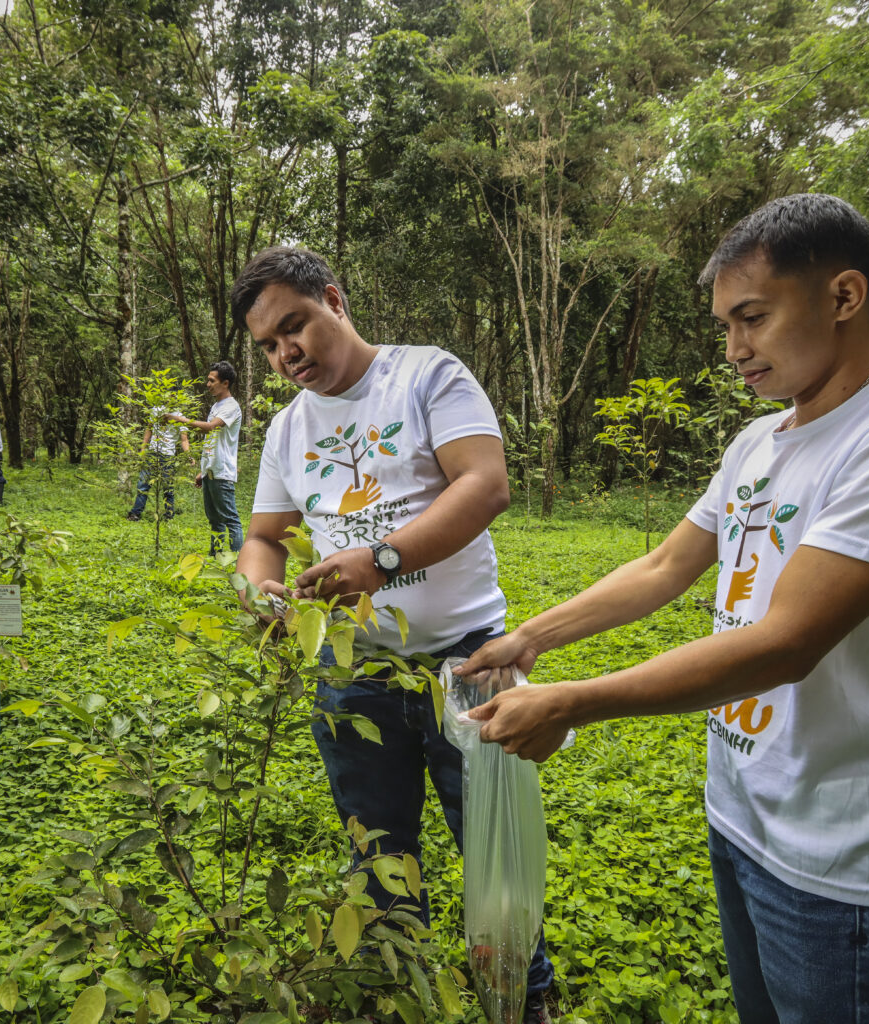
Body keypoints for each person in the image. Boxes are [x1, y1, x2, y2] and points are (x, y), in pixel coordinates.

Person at [458, 194, 869, 1024]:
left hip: (846, 856)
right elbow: (667, 565)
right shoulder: (757, 443)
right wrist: (528, 638)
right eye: (724, 326)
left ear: (844, 297)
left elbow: (786, 644)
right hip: (743, 812)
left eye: (753, 318)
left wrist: (576, 702)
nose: (735, 350)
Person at [230, 246, 556, 1022]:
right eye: (269, 346)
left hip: (469, 660)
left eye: (294, 327)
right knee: (377, 853)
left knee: (495, 850)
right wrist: (259, 588)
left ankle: (523, 998)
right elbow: (265, 534)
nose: (286, 355)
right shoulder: (286, 430)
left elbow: (486, 484)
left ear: (334, 300)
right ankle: (395, 991)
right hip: (354, 674)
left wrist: (379, 559)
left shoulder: (428, 376)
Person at [166, 362, 243, 553]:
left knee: (230, 519)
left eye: (212, 380)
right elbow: (212, 441)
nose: (208, 384)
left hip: (222, 471)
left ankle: (239, 562)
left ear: (225, 383)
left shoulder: (231, 406)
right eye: (208, 380)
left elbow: (211, 427)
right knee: (215, 519)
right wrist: (204, 470)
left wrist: (180, 419)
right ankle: (215, 556)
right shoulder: (217, 405)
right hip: (211, 470)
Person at [126, 405, 191, 521]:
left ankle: (168, 515)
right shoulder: (156, 410)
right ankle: (135, 513)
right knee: (143, 484)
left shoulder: (180, 417)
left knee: (168, 487)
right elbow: (149, 429)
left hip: (168, 456)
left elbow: (184, 439)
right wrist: (143, 448)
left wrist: (188, 455)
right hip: (152, 453)